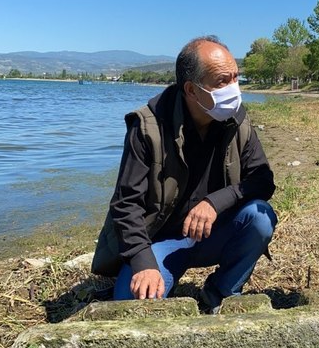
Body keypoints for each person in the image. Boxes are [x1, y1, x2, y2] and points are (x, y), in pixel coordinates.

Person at [91, 36, 277, 313]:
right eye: (222, 82)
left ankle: (220, 293)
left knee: (260, 217)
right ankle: (154, 274)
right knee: (134, 308)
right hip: (160, 243)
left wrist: (216, 202)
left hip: (213, 234)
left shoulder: (237, 120)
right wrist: (143, 263)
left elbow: (262, 181)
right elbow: (125, 204)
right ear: (191, 89)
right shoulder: (147, 128)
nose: (233, 89)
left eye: (236, 77)